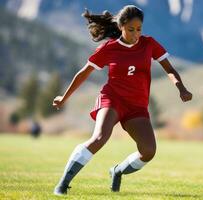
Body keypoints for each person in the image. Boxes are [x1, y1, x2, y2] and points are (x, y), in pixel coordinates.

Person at [52, 5, 193, 195]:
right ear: (121, 27)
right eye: (131, 29)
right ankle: (63, 184)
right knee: (100, 138)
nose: (136, 34)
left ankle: (117, 171)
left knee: (148, 151)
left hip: (137, 106)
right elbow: (83, 73)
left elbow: (169, 69)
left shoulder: (149, 44)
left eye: (139, 29)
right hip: (113, 99)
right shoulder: (108, 49)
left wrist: (181, 88)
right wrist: (64, 98)